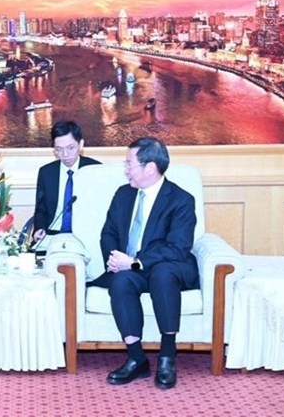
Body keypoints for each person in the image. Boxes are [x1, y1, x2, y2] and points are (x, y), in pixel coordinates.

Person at [88, 136, 199, 390]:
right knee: (121, 281)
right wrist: (115, 259)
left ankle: (167, 356)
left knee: (163, 274)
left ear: (150, 167)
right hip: (129, 268)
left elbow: (178, 248)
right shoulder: (123, 194)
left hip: (168, 266)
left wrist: (136, 262)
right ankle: (136, 358)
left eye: (129, 163)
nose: (125, 168)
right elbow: (109, 233)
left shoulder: (181, 200)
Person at [32, 120, 100, 246]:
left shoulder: (95, 169)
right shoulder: (46, 172)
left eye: (70, 148)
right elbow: (41, 210)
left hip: (86, 236)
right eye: (59, 149)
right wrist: (39, 229)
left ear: (81, 145)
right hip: (53, 235)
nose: (65, 154)